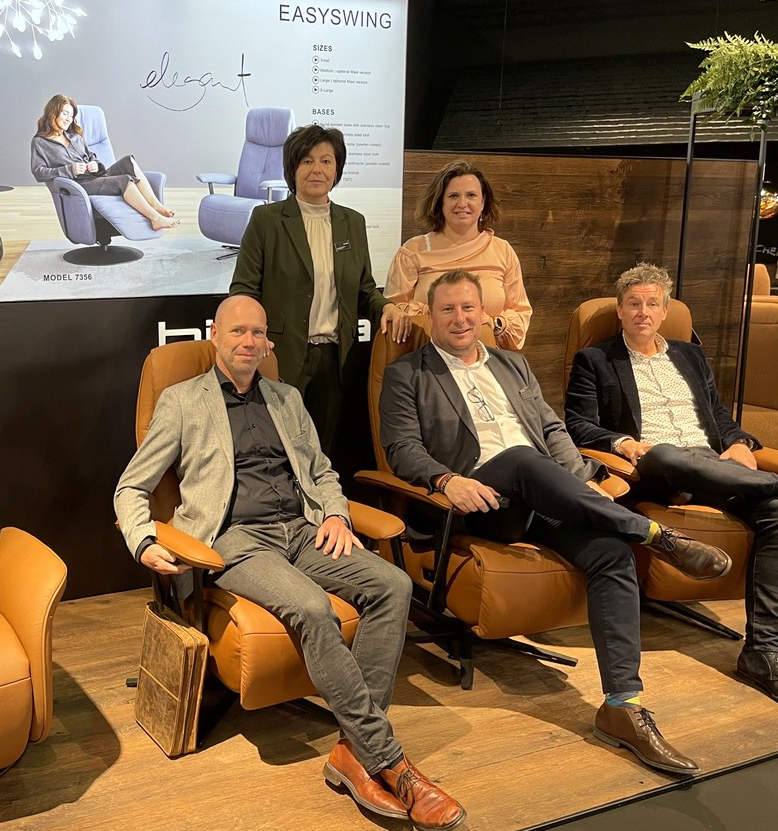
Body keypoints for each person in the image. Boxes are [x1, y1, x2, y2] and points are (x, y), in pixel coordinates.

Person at [114, 295, 464, 831]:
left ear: (267, 343)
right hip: (235, 540)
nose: (248, 341)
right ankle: (392, 763)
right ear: (215, 336)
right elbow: (131, 486)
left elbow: (322, 472)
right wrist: (142, 540)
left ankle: (353, 752)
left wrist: (336, 514)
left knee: (393, 585)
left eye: (258, 332)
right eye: (237, 331)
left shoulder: (287, 398)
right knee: (311, 608)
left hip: (302, 530)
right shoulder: (182, 401)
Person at [379, 269, 735, 776]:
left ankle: (623, 706)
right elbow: (401, 447)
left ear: (484, 313)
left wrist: (582, 485)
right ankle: (654, 535)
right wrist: (445, 480)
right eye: (448, 309)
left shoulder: (513, 364)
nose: (460, 318)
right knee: (521, 459)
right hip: (480, 502)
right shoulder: (408, 373)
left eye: (468, 308)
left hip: (544, 498)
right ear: (430, 316)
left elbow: (552, 429)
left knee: (611, 553)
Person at [565, 263, 778, 709]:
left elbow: (719, 416)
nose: (643, 312)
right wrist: (622, 442)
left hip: (712, 465)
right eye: (633, 303)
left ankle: (762, 653)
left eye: (652, 303)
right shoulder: (595, 360)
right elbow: (577, 424)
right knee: (664, 453)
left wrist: (740, 443)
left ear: (665, 310)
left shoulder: (689, 356)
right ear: (620, 309)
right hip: (655, 469)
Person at [229, 124, 411, 456]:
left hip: (335, 359)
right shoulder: (267, 220)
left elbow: (364, 288)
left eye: (326, 161)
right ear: (292, 168)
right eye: (307, 161)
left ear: (337, 169)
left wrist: (386, 307)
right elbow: (243, 290)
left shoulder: (352, 222)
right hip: (279, 354)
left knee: (322, 450)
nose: (317, 169)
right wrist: (254, 337)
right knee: (278, 448)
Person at [385, 161, 532, 350]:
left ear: (483, 202)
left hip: (489, 357)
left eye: (471, 195)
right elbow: (393, 309)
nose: (462, 204)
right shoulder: (412, 252)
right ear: (440, 202)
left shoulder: (502, 251)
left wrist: (493, 323)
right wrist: (436, 313)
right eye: (453, 196)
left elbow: (520, 314)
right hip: (427, 357)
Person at [29, 94, 178, 230]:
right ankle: (155, 219)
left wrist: (95, 164)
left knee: (129, 161)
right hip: (80, 184)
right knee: (124, 180)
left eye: (71, 115)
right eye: (65, 113)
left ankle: (156, 206)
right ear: (53, 113)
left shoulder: (75, 137)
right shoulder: (40, 142)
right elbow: (39, 172)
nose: (69, 118)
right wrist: (70, 170)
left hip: (96, 176)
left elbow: (91, 156)